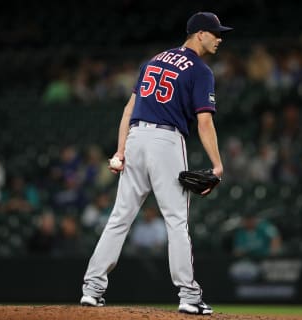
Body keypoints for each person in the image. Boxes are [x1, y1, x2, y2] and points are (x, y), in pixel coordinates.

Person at [80, 12, 232, 315]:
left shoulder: (152, 61)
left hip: (136, 137)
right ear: (199, 34)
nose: (219, 38)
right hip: (166, 140)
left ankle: (92, 289)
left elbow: (127, 110)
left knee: (119, 218)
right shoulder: (201, 71)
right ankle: (189, 295)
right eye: (215, 33)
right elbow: (204, 123)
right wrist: (217, 165)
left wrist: (121, 151)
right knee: (176, 220)